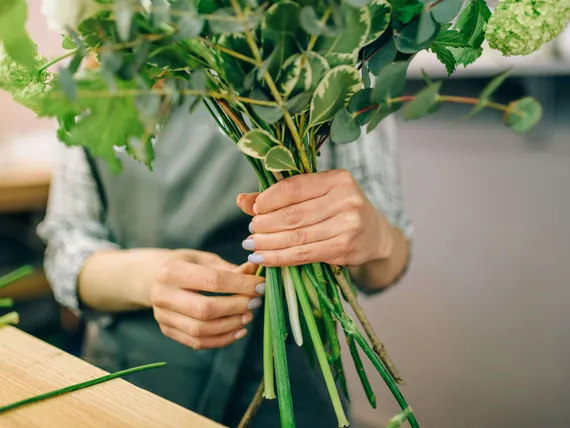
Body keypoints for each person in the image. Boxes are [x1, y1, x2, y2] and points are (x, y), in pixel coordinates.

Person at [37, 102, 412, 427]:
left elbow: (384, 269)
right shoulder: (96, 60)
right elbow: (67, 247)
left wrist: (376, 236)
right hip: (135, 384)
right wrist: (149, 280)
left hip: (292, 383)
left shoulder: (335, 44)